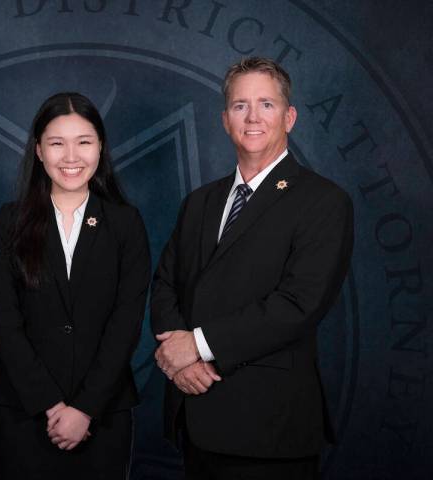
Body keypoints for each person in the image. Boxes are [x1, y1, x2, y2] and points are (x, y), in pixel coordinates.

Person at [151, 57, 354, 479]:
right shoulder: (200, 203)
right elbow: (166, 282)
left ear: (289, 117)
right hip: (197, 412)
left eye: (266, 103)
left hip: (270, 428)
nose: (253, 117)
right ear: (225, 120)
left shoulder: (323, 201)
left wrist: (198, 345)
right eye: (240, 106)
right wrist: (181, 362)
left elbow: (299, 305)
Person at [0, 92, 150, 479]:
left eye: (84, 142)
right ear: (39, 151)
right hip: (25, 411)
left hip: (104, 413)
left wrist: (85, 408)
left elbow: (126, 323)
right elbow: (3, 322)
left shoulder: (126, 223)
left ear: (101, 148)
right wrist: (51, 404)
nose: (71, 157)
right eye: (57, 143)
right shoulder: (10, 222)